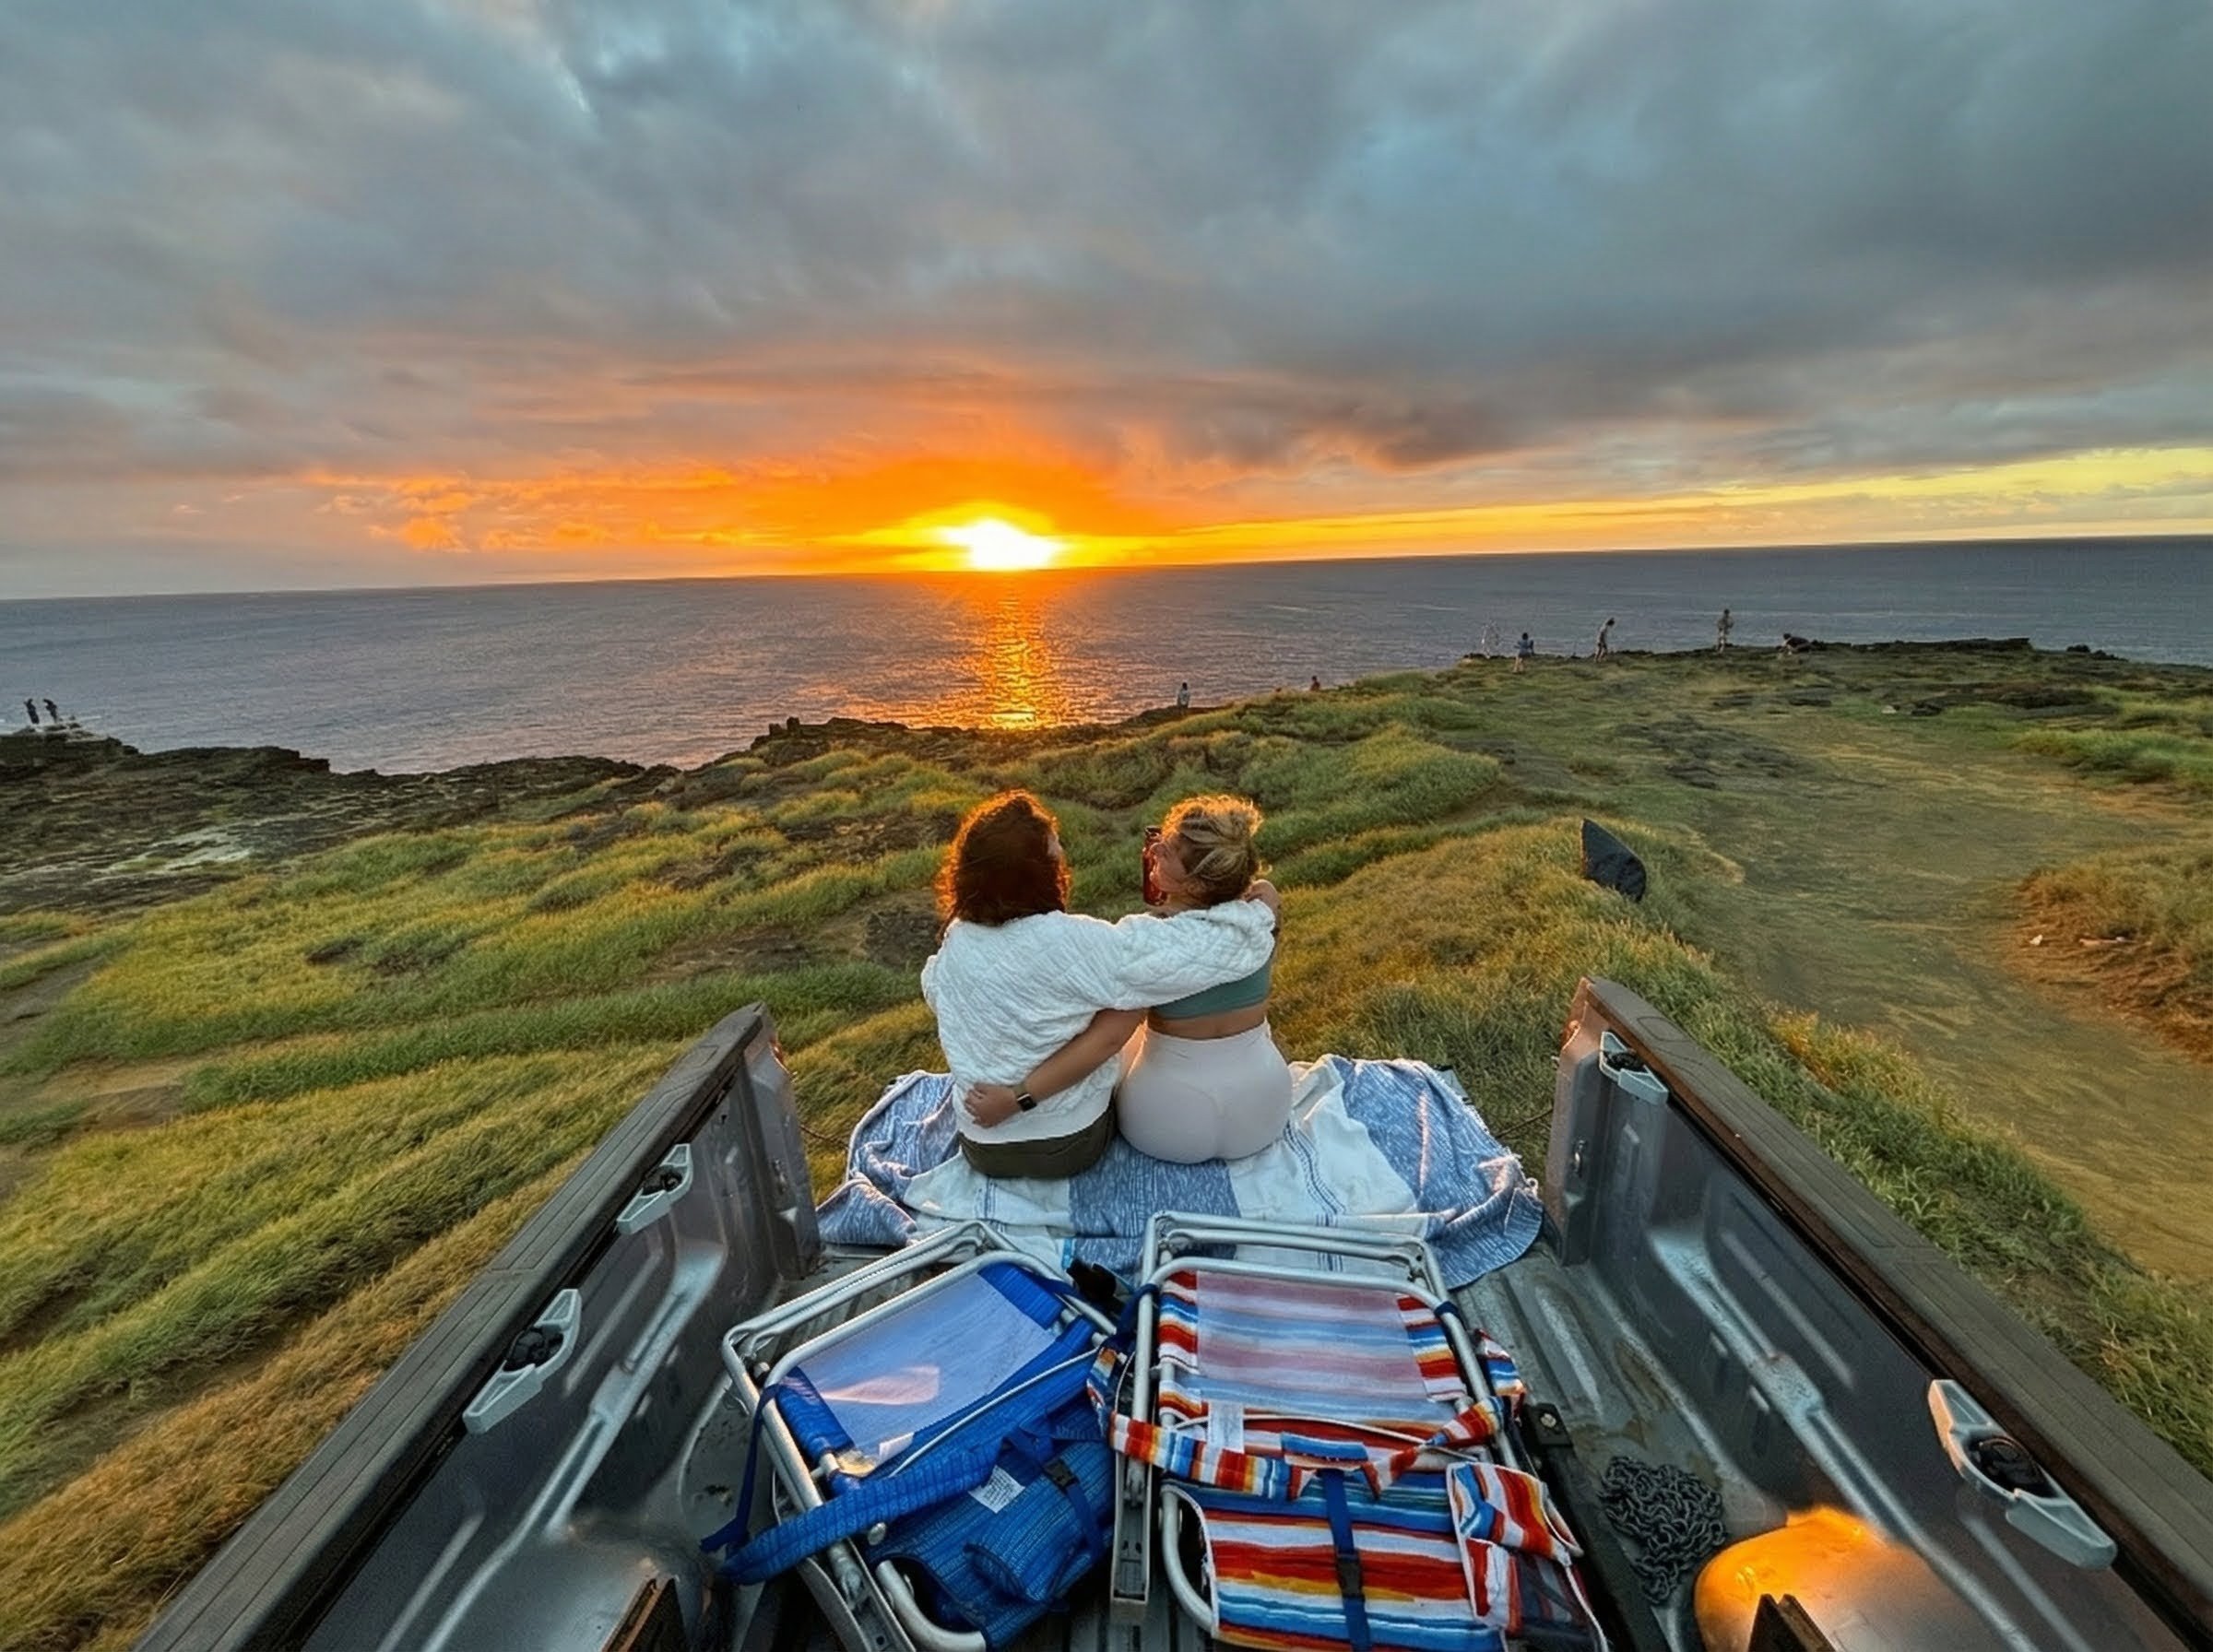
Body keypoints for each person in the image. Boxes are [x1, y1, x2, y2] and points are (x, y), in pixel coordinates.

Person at [922, 791, 1279, 1178]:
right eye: (1053, 847)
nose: (1062, 851)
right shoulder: (1105, 947)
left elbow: (939, 990)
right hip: (1257, 1107)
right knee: (1114, 1025)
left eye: (1168, 849)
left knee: (1114, 1025)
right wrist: (1264, 910)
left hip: (988, 1144)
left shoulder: (956, 942)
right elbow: (1215, 946)